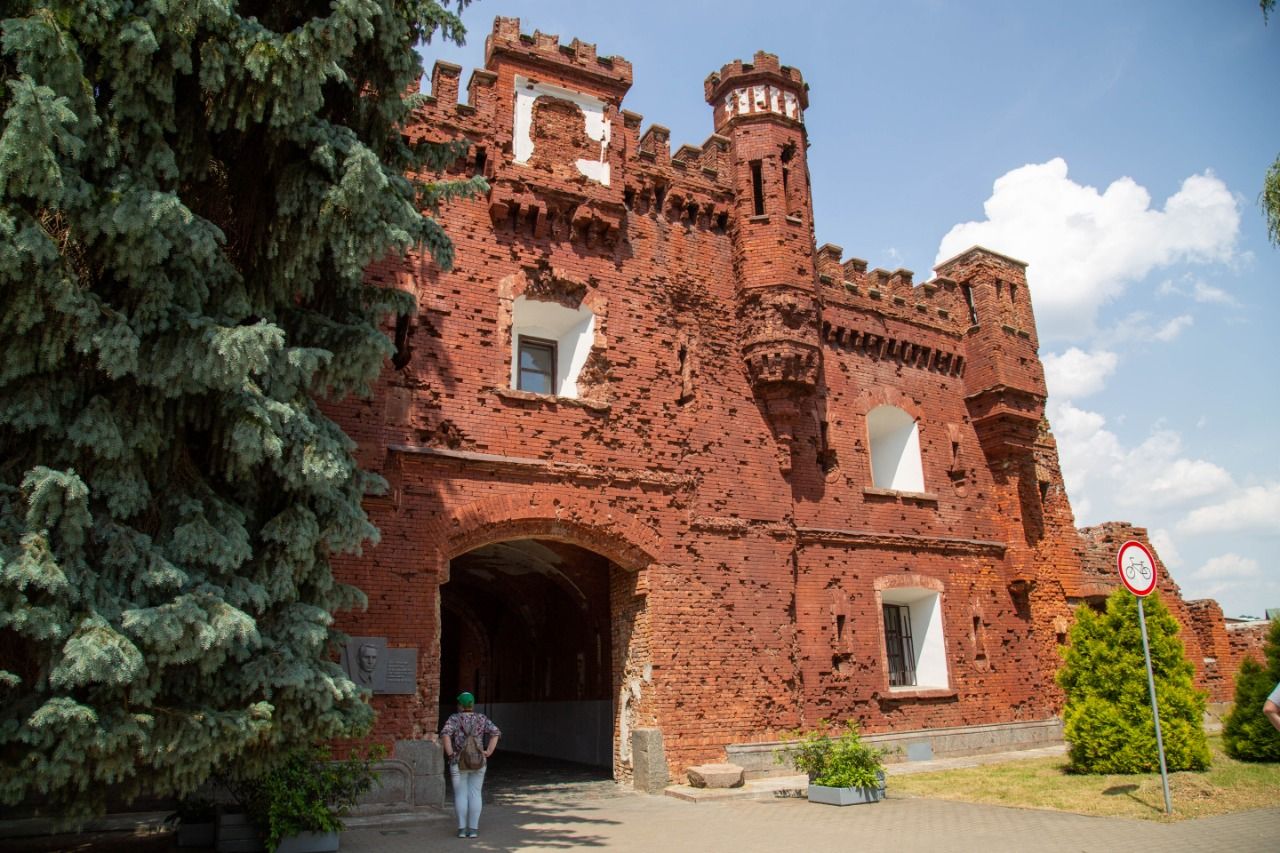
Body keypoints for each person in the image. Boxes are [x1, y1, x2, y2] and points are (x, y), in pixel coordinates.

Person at [440, 691, 501, 839]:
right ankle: (473, 829)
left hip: (458, 761)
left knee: (460, 794)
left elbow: (445, 735)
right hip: (479, 761)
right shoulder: (481, 718)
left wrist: (450, 754)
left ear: (460, 705)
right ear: (472, 704)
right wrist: (489, 751)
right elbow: (495, 732)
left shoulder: (454, 718)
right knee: (475, 793)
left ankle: (462, 829)